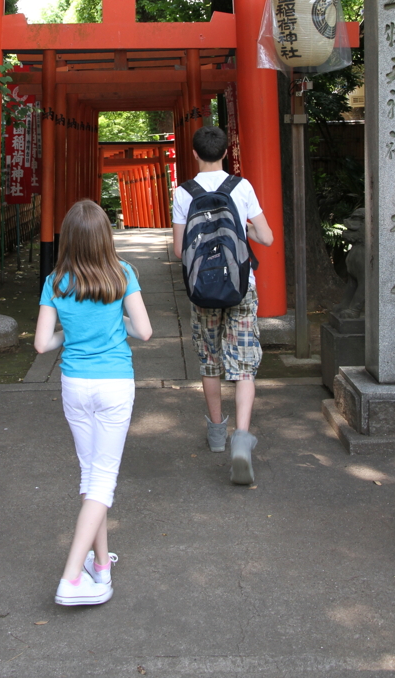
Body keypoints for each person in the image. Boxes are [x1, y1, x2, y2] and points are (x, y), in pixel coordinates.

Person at [34, 199, 152, 607]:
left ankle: (100, 565)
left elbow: (41, 343)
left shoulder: (56, 281)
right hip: (115, 383)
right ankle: (70, 578)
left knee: (91, 477)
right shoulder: (123, 274)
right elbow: (146, 331)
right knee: (101, 481)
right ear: (105, 237)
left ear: (68, 238)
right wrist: (115, 322)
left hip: (75, 385)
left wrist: (71, 334)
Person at [172, 125, 273, 485]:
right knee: (244, 363)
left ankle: (216, 434)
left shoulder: (184, 192)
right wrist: (242, 228)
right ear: (225, 154)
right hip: (241, 285)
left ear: (195, 154)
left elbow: (178, 249)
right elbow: (267, 236)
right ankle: (241, 440)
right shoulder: (241, 188)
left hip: (203, 289)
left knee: (209, 358)